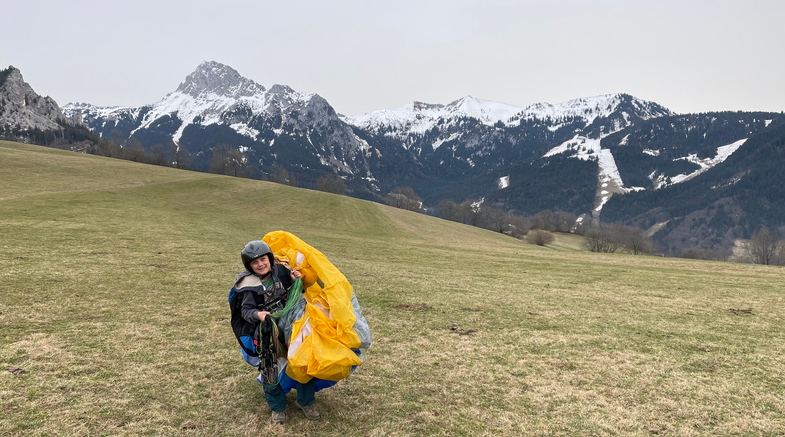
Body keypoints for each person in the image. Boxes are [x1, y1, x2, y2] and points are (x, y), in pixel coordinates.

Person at [233, 240, 320, 425]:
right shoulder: (248, 284)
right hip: (267, 330)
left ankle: (306, 402)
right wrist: (259, 314)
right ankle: (278, 408)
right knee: (269, 368)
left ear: (269, 258)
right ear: (249, 266)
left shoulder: (280, 271)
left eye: (263, 259)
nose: (260, 264)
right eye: (254, 263)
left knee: (303, 360)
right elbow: (245, 311)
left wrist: (298, 280)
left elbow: (298, 291)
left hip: (291, 324)